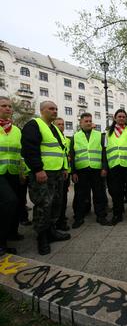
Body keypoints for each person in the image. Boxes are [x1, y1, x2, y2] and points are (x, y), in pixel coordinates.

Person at [21, 101, 71, 255]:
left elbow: (60, 150)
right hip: (42, 173)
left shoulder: (54, 128)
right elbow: (29, 149)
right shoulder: (34, 124)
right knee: (43, 204)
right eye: (51, 108)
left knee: (56, 203)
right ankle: (42, 237)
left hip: (57, 173)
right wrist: (38, 169)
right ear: (42, 110)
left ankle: (51, 231)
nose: (55, 111)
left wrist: (64, 168)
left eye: (56, 108)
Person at [70, 112, 111, 228]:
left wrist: (104, 167)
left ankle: (101, 216)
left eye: (90, 121)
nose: (88, 123)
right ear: (80, 123)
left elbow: (104, 152)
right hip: (81, 171)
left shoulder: (99, 135)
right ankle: (78, 218)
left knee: (99, 194)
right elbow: (72, 156)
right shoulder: (75, 137)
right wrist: (73, 172)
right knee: (80, 195)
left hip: (96, 170)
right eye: (86, 121)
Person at [0, 96, 24, 256]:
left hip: (14, 172)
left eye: (9, 106)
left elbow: (21, 154)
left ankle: (11, 233)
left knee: (17, 203)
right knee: (9, 201)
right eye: (4, 106)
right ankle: (1, 242)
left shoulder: (16, 130)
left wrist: (23, 172)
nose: (8, 108)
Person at [53, 117, 71, 231]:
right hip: (52, 172)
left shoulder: (67, 140)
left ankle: (61, 219)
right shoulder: (51, 138)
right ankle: (53, 221)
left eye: (63, 124)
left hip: (65, 172)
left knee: (63, 198)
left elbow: (68, 154)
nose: (61, 126)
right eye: (58, 124)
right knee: (52, 199)